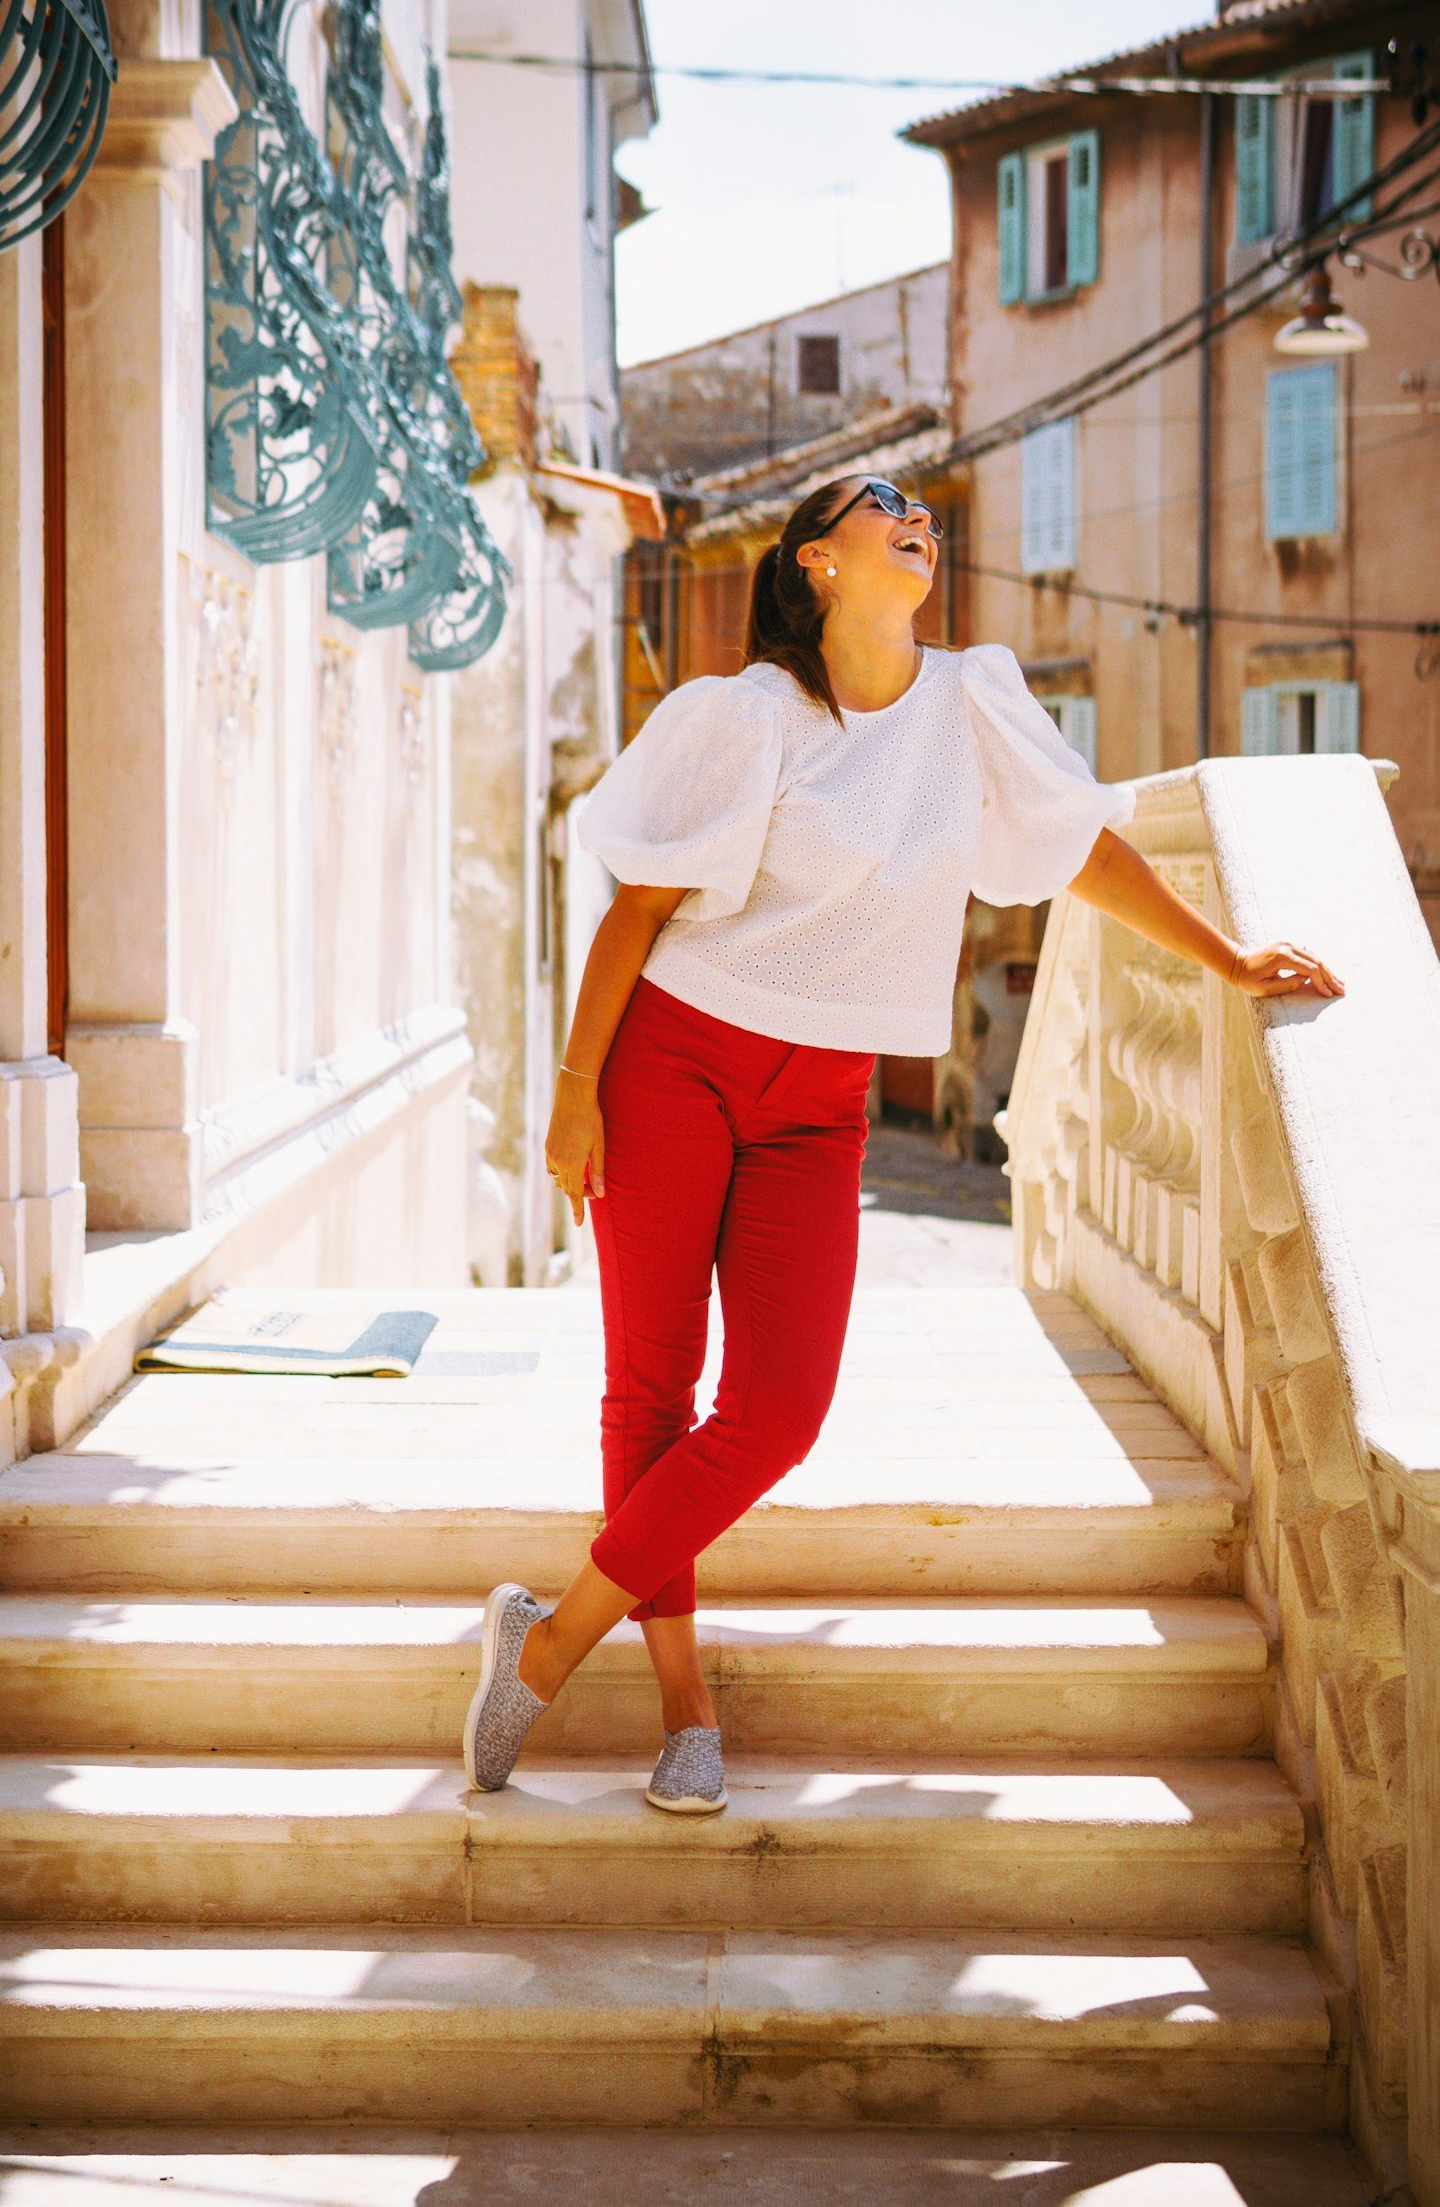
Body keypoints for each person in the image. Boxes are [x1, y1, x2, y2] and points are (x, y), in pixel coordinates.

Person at [461, 473, 1343, 1816]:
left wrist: (1226, 958)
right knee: (652, 1385)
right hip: (674, 1061)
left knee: (777, 1411)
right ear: (817, 561)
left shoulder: (971, 705)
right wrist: (575, 1091)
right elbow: (637, 911)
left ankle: (545, 1643)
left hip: (820, 1099)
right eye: (883, 502)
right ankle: (685, 1706)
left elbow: (1081, 852)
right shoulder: (753, 716)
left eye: (923, 506)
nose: (916, 514)